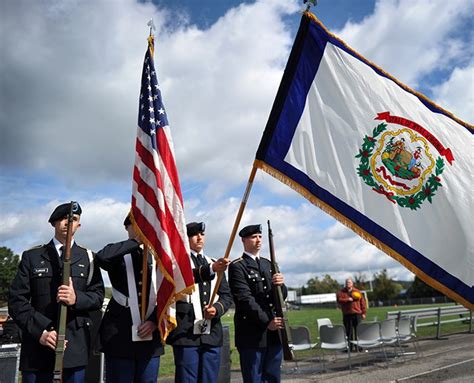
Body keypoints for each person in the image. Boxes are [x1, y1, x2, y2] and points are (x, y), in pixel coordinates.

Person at [8, 202, 105, 383]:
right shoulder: (33, 256)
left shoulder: (89, 258)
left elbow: (98, 296)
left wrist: (77, 298)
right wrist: (41, 331)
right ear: (53, 223)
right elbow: (16, 300)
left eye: (74, 219)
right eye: (63, 218)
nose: (68, 222)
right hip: (38, 349)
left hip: (74, 348)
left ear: (79, 225)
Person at [95, 214, 164, 383]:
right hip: (120, 335)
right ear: (127, 228)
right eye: (137, 224)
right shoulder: (118, 253)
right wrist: (137, 241)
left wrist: (155, 320)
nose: (142, 228)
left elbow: (169, 289)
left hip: (150, 334)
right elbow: (102, 257)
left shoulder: (157, 257)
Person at [167, 221, 233, 383]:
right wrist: (211, 269)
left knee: (209, 378)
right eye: (194, 235)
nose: (199, 238)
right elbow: (185, 277)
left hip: (211, 332)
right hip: (186, 332)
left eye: (202, 234)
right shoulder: (177, 263)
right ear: (186, 238)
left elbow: (226, 295)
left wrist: (217, 309)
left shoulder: (213, 262)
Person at [228, 224, 287, 383]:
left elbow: (280, 298)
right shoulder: (237, 266)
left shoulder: (269, 264)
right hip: (252, 334)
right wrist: (267, 321)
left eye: (260, 236)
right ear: (244, 240)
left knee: (273, 377)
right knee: (254, 378)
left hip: (274, 333)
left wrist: (281, 285)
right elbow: (245, 299)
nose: (258, 240)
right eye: (254, 237)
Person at [336, 278, 367, 351]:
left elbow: (362, 303)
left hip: (357, 314)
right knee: (348, 332)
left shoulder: (357, 291)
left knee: (358, 331)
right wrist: (347, 299)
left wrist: (363, 313)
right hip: (347, 314)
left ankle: (358, 347)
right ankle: (350, 347)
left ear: (352, 283)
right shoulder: (341, 292)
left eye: (349, 282)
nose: (348, 284)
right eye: (347, 282)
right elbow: (339, 300)